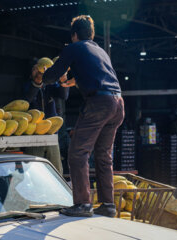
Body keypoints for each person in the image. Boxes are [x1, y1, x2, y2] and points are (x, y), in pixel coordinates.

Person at [38, 15, 125, 217]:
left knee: (78, 153)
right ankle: (108, 205)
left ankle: (83, 204)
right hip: (118, 103)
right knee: (104, 156)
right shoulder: (100, 50)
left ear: (74, 34)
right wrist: (74, 81)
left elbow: (52, 76)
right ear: (91, 34)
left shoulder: (73, 48)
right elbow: (98, 75)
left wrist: (46, 74)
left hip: (99, 104)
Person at [23, 63, 70, 175]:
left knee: (56, 171)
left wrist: (63, 80)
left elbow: (64, 95)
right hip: (33, 136)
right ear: (31, 73)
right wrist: (37, 82)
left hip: (51, 135)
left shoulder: (50, 86)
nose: (37, 71)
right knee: (34, 172)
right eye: (34, 69)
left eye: (38, 68)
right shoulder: (27, 85)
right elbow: (27, 98)